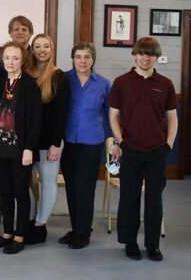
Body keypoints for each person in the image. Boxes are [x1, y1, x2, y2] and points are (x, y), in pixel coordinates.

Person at [109, 37, 177, 262]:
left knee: (154, 200)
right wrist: (121, 142)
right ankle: (130, 243)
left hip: (157, 150)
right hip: (131, 149)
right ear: (135, 55)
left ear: (156, 57)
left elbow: (172, 118)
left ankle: (153, 244)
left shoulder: (166, 83)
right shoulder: (121, 82)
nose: (146, 58)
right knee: (129, 197)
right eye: (142, 53)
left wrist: (169, 144)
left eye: (150, 54)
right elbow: (113, 115)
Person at [0, 41, 41, 255]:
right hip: (1, 148)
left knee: (20, 193)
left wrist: (29, 148)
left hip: (21, 150)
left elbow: (36, 120)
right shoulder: (0, 83)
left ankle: (20, 236)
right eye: (7, 58)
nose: (11, 62)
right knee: (6, 193)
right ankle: (7, 233)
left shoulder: (29, 85)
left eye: (15, 58)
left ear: (23, 60)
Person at [60, 42, 110, 249]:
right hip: (68, 142)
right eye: (78, 57)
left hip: (91, 143)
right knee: (71, 188)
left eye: (87, 57)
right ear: (72, 59)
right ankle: (76, 228)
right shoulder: (63, 80)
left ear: (93, 59)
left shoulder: (104, 84)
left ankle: (83, 233)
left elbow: (110, 116)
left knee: (85, 189)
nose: (82, 61)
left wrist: (115, 142)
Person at [26, 34, 70, 244]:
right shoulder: (25, 74)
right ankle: (29, 220)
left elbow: (61, 114)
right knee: (26, 183)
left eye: (46, 46)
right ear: (31, 49)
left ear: (52, 49)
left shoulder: (58, 76)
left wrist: (55, 143)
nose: (42, 50)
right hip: (28, 141)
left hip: (48, 141)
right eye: (37, 46)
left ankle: (40, 224)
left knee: (48, 183)